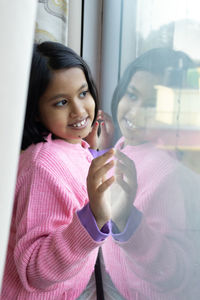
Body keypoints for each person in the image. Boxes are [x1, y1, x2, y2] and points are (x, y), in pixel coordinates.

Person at [0, 41, 116, 300]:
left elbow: (72, 184)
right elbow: (33, 271)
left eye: (83, 93)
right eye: (62, 102)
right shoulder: (43, 166)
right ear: (37, 112)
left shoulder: (68, 148)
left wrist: (90, 152)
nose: (78, 110)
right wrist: (93, 219)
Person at [92, 48, 200, 299]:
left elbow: (176, 272)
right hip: (122, 287)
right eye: (132, 95)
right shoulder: (128, 145)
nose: (136, 112)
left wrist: (128, 221)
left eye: (152, 104)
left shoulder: (169, 174)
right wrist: (105, 150)